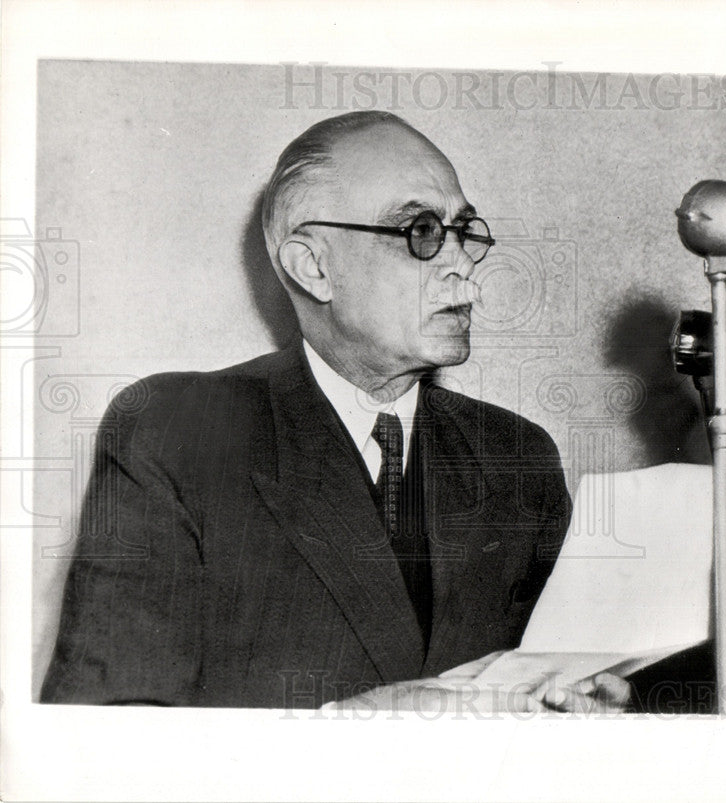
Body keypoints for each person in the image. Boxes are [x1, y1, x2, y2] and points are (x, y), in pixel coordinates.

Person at [40, 111, 629, 713]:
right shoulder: (178, 432)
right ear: (313, 266)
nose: (462, 264)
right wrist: (361, 721)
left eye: (463, 229)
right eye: (420, 231)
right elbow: (103, 740)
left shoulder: (517, 455)